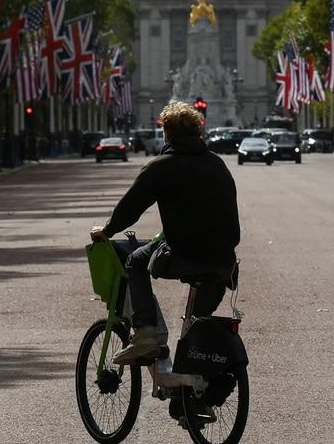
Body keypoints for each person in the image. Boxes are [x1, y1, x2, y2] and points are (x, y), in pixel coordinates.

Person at [89, 100, 240, 366]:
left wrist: (107, 230)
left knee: (134, 260)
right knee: (195, 325)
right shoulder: (218, 165)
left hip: (184, 254)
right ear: (198, 133)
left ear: (167, 133)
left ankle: (146, 333)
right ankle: (191, 389)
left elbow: (129, 209)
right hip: (223, 263)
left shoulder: (162, 166)